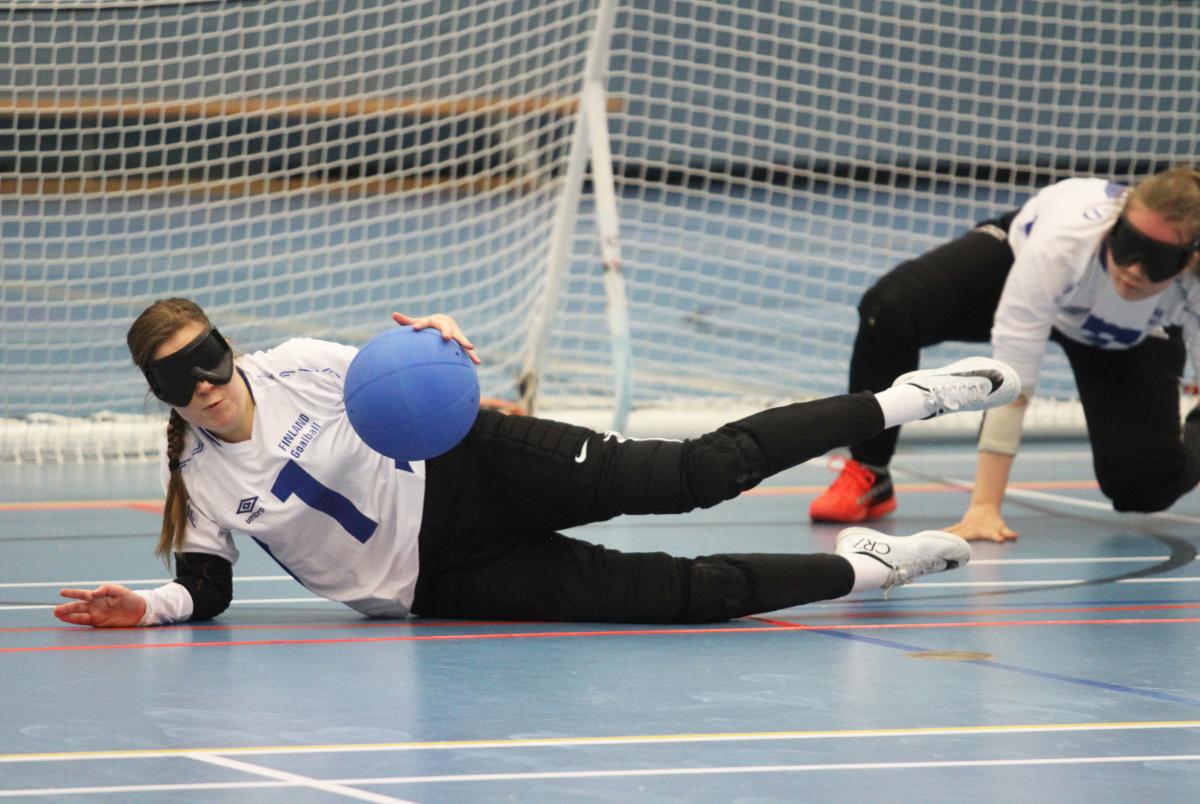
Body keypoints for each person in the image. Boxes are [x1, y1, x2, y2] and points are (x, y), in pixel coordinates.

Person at [53, 298, 1019, 628]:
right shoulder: (200, 479)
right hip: (443, 580)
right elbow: (206, 587)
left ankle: (906, 399)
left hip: (475, 465)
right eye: (183, 382)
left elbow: (407, 381)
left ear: (229, 348)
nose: (210, 387)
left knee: (691, 476)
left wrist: (438, 345)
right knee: (675, 599)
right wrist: (150, 607)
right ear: (162, 395)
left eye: (212, 361)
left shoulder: (298, 364)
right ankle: (867, 567)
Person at [809, 166, 1200, 541]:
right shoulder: (1062, 245)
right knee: (890, 310)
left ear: (1189, 260)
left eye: (1157, 258)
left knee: (1145, 486)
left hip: (1125, 334)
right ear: (1116, 224)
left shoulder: (1193, 286)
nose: (1133, 268)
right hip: (1024, 264)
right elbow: (1011, 374)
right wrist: (984, 507)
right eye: (1128, 243)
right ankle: (870, 472)